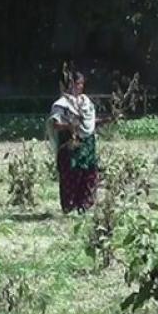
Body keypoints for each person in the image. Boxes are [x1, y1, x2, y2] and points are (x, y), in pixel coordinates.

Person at [46, 71, 100, 213]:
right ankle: (69, 207)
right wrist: (70, 126)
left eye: (81, 84)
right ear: (69, 85)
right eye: (76, 84)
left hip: (87, 146)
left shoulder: (86, 103)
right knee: (71, 175)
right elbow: (56, 125)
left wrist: (107, 120)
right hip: (70, 146)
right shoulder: (61, 104)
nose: (79, 87)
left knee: (89, 174)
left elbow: (89, 123)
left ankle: (83, 206)